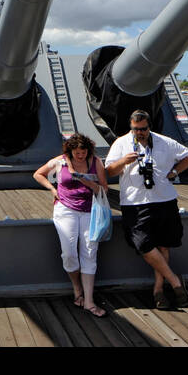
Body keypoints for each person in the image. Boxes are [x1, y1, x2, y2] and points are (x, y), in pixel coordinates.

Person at [105, 110, 188, 310]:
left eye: (143, 129)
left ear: (149, 126)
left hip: (164, 199)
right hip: (135, 202)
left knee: (163, 245)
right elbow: (108, 171)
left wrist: (173, 172)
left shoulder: (164, 142)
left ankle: (158, 290)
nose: (140, 133)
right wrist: (123, 161)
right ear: (131, 127)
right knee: (143, 244)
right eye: (136, 129)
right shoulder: (121, 143)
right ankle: (175, 282)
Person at [34, 134, 109, 317]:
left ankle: (89, 302)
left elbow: (104, 188)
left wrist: (89, 183)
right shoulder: (60, 162)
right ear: (70, 151)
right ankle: (77, 289)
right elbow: (38, 174)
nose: (81, 156)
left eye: (83, 152)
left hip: (90, 210)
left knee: (90, 253)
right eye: (77, 153)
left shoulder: (96, 161)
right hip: (65, 209)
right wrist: (52, 189)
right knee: (69, 253)